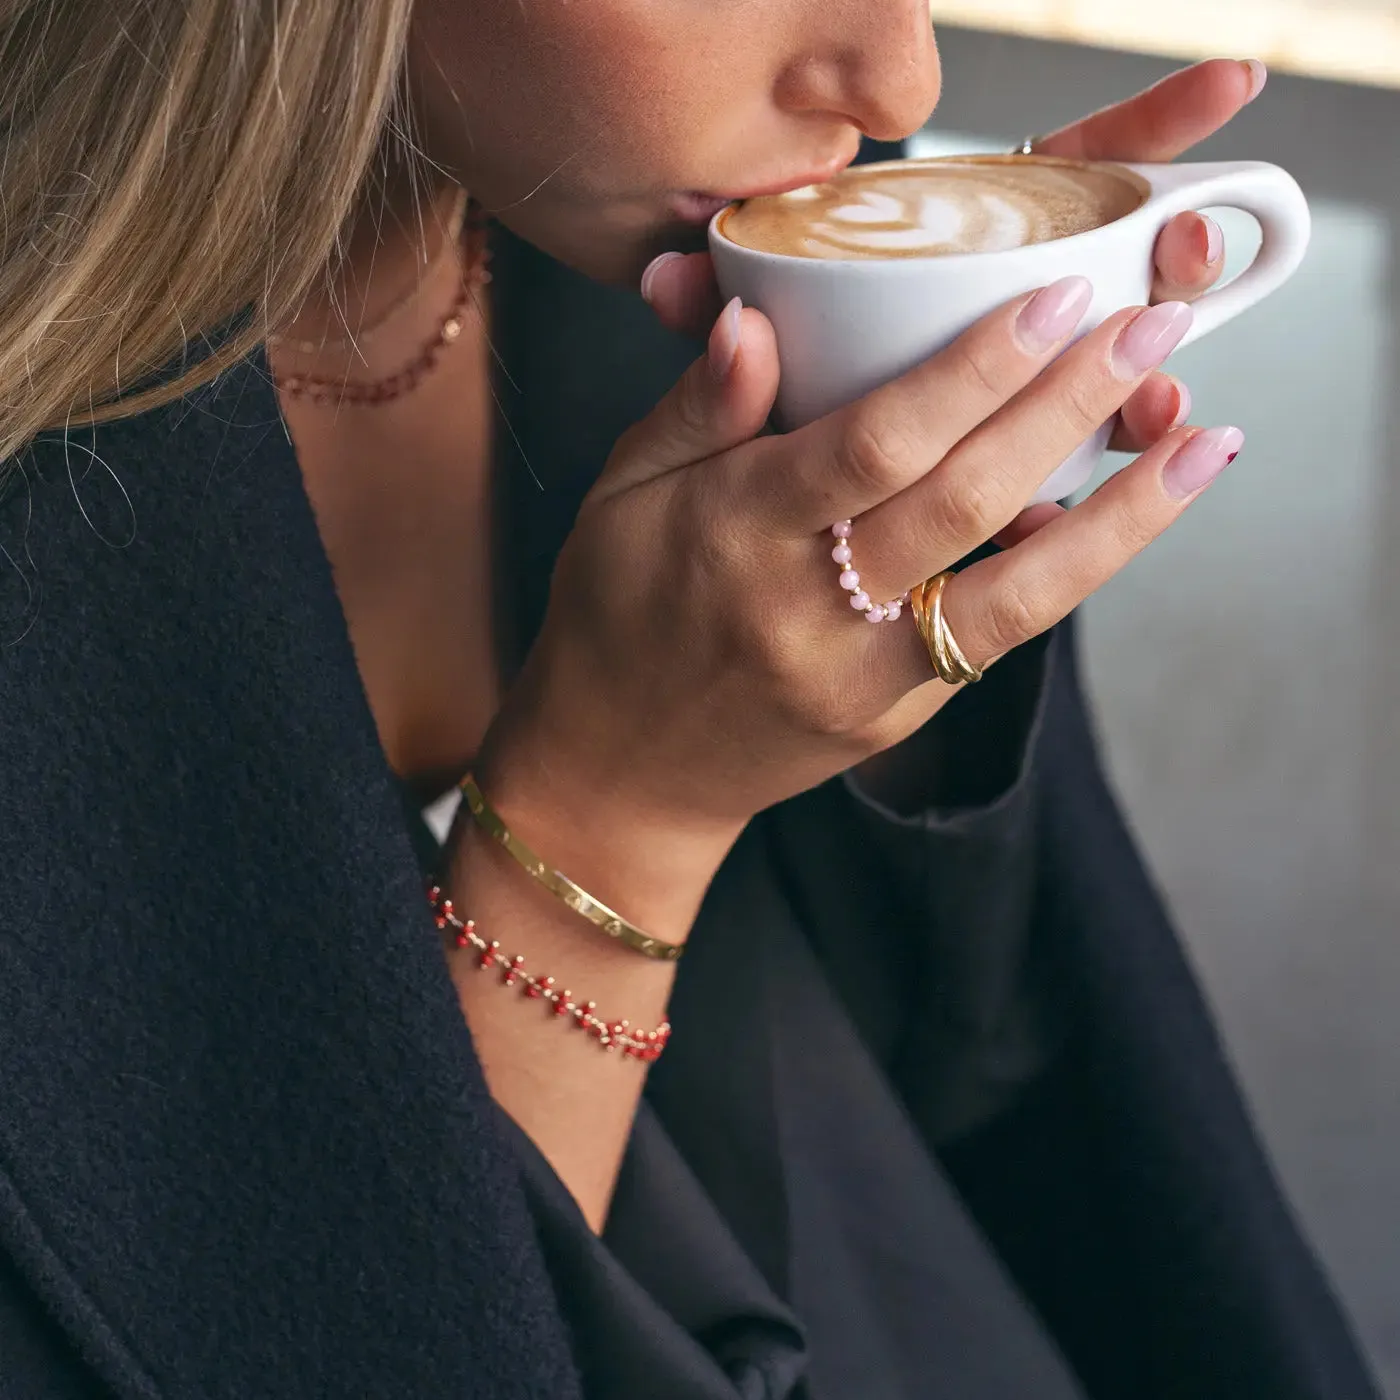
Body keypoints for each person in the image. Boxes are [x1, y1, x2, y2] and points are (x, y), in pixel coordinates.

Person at [0, 0, 1379, 1393]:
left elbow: (1000, 1074)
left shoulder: (715, 228)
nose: (899, 72)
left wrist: (914, 523)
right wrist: (613, 819)